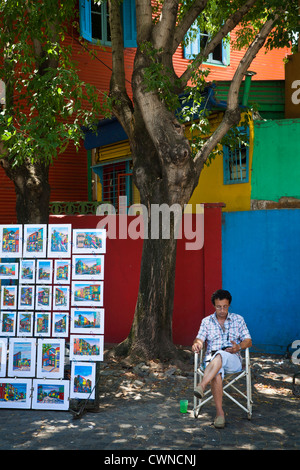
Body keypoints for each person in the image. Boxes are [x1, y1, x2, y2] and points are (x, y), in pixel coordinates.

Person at [192, 289, 252, 429]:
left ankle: (201, 385)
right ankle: (220, 414)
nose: (222, 310)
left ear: (229, 305)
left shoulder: (238, 319)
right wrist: (197, 344)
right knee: (216, 372)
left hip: (232, 358)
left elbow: (248, 341)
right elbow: (199, 339)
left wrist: (238, 347)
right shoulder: (206, 321)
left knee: (220, 355)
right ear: (214, 305)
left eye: (225, 306)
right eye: (219, 306)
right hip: (211, 360)